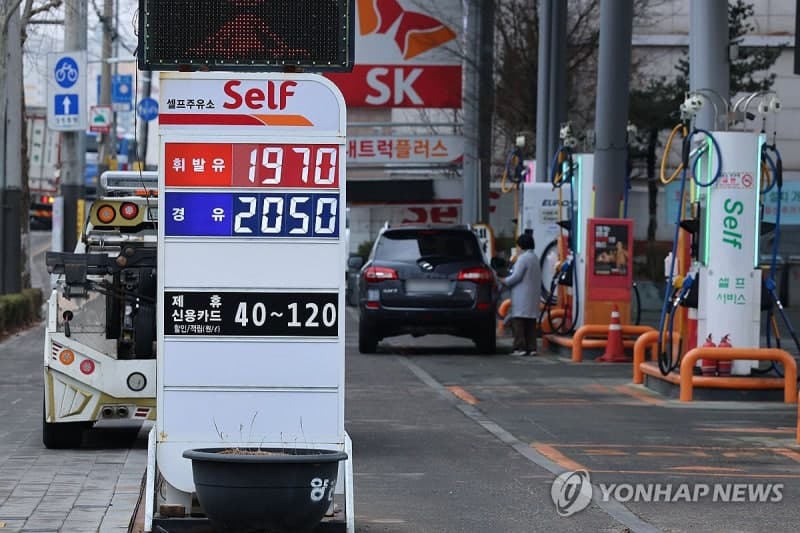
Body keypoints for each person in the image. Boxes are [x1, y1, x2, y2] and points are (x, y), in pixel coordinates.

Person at [499, 233, 542, 356]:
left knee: (519, 322)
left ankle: (519, 348)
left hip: (521, 296)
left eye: (518, 245)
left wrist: (504, 281)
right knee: (531, 323)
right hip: (533, 296)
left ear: (521, 246)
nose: (517, 248)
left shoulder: (523, 259)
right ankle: (532, 348)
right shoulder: (535, 258)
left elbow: (516, 277)